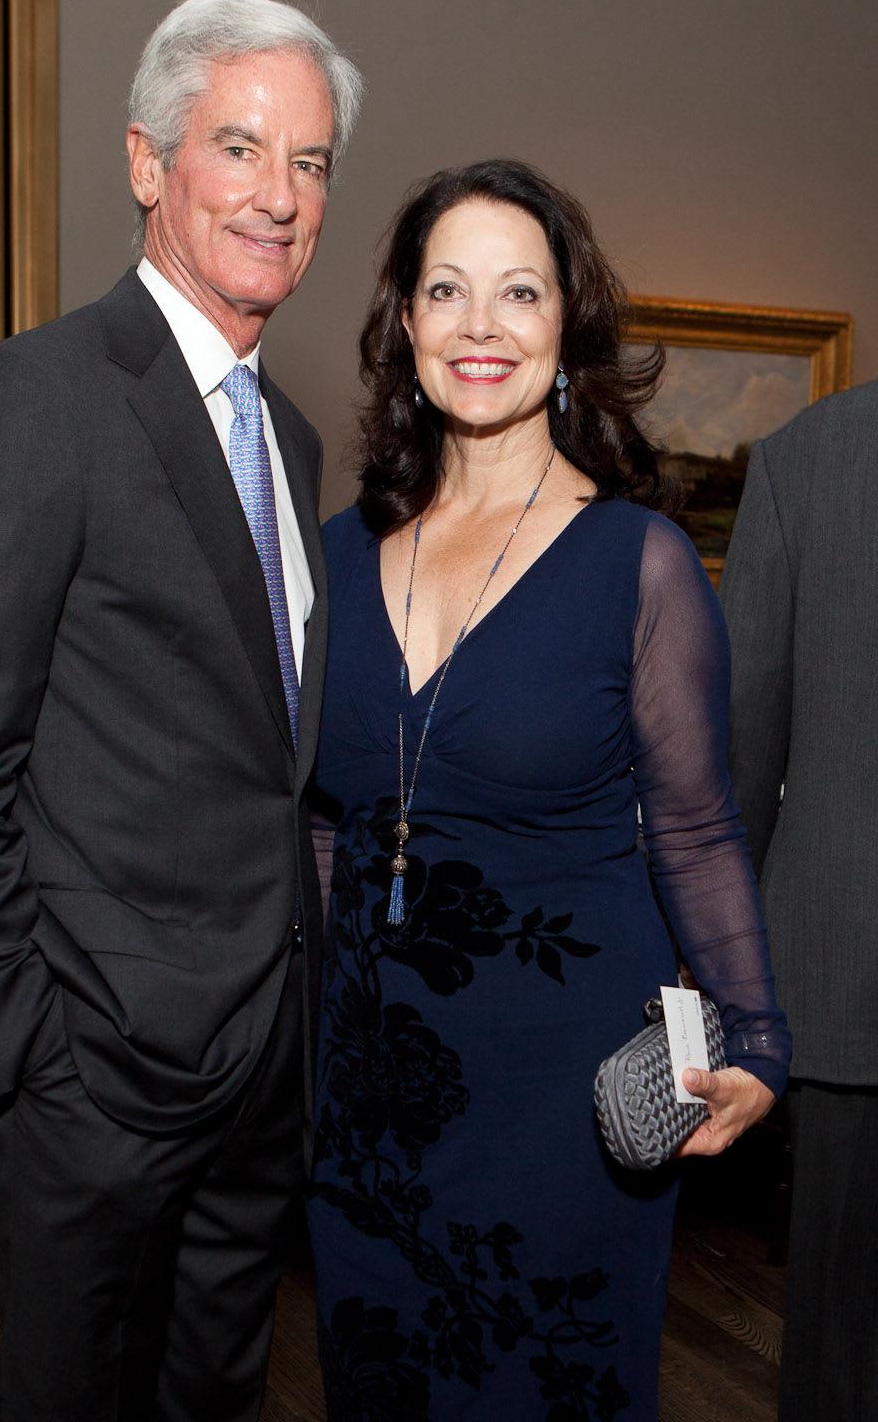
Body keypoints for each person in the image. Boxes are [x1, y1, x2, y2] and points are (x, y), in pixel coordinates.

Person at [0, 0, 363, 1422]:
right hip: (95, 1077)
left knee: (216, 1395)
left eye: (313, 161)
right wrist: (30, 1063)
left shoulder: (291, 435)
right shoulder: (35, 401)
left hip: (262, 1064)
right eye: (242, 147)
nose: (281, 195)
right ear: (149, 164)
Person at [306, 160, 790, 1420]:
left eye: (517, 292)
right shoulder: (334, 556)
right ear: (403, 323)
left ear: (566, 323)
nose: (481, 326)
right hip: (366, 1109)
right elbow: (323, 819)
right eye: (447, 290)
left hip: (562, 1109)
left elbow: (695, 823)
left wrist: (760, 1037)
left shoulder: (639, 562)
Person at [719, 380, 878, 1422]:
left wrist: (731, 971)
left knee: (845, 1349)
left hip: (848, 973)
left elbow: (738, 752)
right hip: (848, 992)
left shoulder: (812, 457)